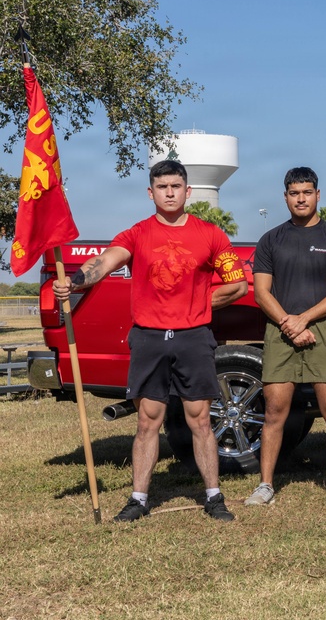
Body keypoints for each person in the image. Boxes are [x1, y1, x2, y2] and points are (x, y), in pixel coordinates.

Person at [54, 160, 248, 522]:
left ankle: (213, 496)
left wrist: (196, 304)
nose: (170, 192)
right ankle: (139, 499)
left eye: (176, 186)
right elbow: (105, 261)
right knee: (147, 420)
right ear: (151, 192)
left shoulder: (211, 234)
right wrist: (76, 279)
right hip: (149, 338)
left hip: (193, 338)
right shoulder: (137, 233)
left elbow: (237, 284)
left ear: (188, 191)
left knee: (200, 419)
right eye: (162, 187)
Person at [244, 167, 326, 506]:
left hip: (322, 328)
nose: (301, 199)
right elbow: (261, 292)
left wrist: (305, 319)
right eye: (294, 194)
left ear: (318, 195)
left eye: (307, 192)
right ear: (285, 197)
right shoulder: (271, 240)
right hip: (280, 330)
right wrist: (288, 323)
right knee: (275, 411)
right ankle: (265, 485)